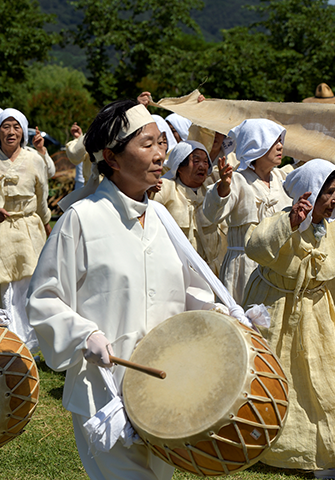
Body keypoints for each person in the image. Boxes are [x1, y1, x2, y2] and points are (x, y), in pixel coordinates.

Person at [26, 100, 221, 480]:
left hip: (166, 388)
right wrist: (84, 335)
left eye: (161, 143)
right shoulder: (81, 220)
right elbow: (44, 298)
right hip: (103, 391)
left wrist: (222, 322)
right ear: (112, 159)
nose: (160, 153)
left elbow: (195, 292)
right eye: (146, 144)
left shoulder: (163, 218)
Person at [243, 159, 335, 477]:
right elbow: (255, 247)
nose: (334, 199)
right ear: (308, 196)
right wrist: (291, 225)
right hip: (276, 310)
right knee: (277, 377)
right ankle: (274, 446)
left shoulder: (332, 229)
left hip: (318, 314)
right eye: (329, 193)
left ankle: (322, 451)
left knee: (322, 380)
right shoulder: (282, 220)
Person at [0, 108, 51, 352]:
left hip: (28, 228)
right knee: (4, 285)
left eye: (16, 126)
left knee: (29, 284)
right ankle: (9, 340)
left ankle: (34, 342)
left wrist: (46, 224)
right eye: (6, 126)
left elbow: (42, 197)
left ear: (23, 132)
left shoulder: (34, 159)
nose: (11, 132)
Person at [203, 118, 292, 304]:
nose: (280, 146)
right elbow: (212, 214)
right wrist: (224, 187)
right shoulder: (237, 179)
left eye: (280, 141)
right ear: (256, 144)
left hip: (277, 265)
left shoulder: (282, 178)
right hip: (244, 266)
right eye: (274, 141)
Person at [153, 140, 226, 275]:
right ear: (179, 166)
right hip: (178, 271)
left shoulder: (212, 187)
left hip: (212, 271)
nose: (202, 166)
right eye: (196, 161)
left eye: (205, 162)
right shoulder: (166, 188)